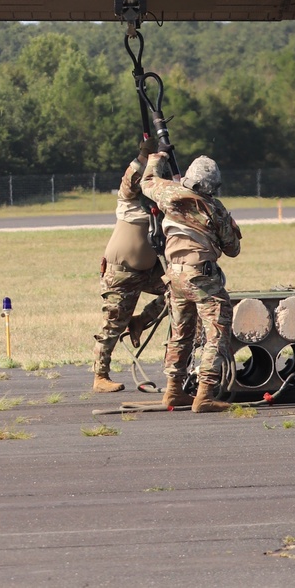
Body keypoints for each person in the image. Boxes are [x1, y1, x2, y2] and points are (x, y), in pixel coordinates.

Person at [141, 150, 241, 413]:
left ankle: (173, 390)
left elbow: (147, 181)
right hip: (201, 276)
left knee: (180, 332)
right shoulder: (214, 209)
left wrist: (156, 158)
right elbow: (232, 249)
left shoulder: (169, 194)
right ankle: (205, 395)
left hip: (174, 276)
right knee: (217, 331)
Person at [92, 136, 168, 395]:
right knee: (113, 323)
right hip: (121, 272)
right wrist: (148, 155)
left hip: (148, 270)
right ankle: (100, 376)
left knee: (179, 292)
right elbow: (133, 174)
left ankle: (140, 321)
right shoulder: (127, 197)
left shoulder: (158, 203)